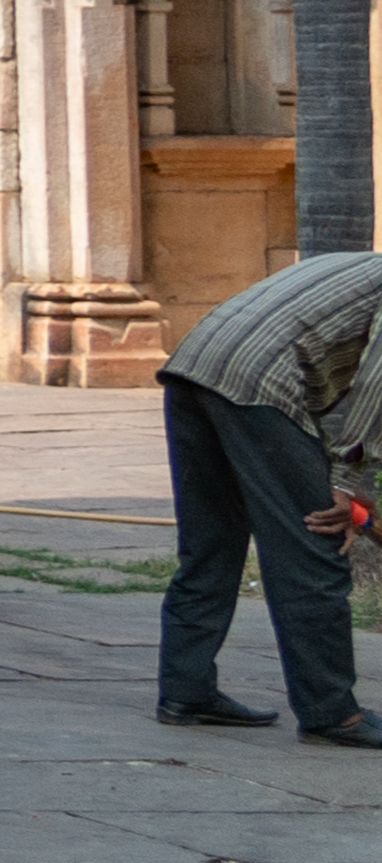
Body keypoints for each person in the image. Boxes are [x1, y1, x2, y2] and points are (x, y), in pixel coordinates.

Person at [155, 247, 382, 739]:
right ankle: (332, 713)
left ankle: (185, 690)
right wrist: (345, 480)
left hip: (194, 365)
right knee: (314, 542)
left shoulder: (362, 265)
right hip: (256, 381)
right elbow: (375, 386)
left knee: (211, 542)